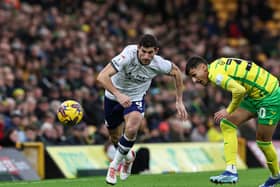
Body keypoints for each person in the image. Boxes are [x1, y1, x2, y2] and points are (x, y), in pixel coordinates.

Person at [97, 34, 188, 185]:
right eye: (143, 51)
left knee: (133, 127)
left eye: (150, 52)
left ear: (156, 51)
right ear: (138, 48)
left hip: (136, 98)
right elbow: (102, 77)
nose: (146, 56)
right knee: (115, 138)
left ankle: (114, 166)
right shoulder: (127, 56)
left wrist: (179, 100)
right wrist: (118, 95)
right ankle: (128, 158)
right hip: (113, 97)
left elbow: (177, 73)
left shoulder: (159, 64)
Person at [185, 56, 280, 187]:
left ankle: (275, 176)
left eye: (194, 75)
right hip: (253, 94)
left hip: (269, 95)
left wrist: (228, 110)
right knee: (227, 124)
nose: (194, 80)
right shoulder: (216, 65)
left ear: (203, 67)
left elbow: (239, 90)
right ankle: (231, 171)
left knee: (263, 141)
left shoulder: (215, 75)